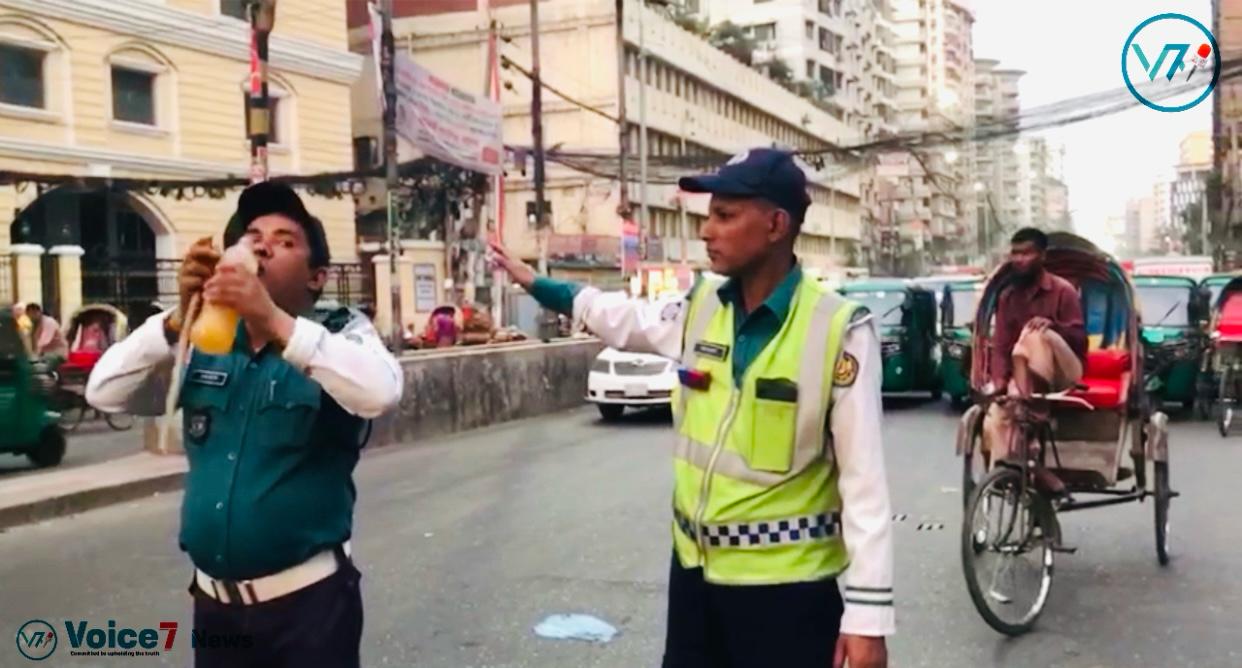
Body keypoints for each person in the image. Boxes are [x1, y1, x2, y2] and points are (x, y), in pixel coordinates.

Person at [491, 148, 893, 668]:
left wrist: (867, 619)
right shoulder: (701, 306)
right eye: (709, 215)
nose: (707, 231)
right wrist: (537, 283)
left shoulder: (840, 329)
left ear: (775, 225)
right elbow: (622, 317)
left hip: (788, 596)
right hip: (695, 581)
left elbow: (865, 487)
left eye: (725, 216)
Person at [85, 182, 403, 668]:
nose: (261, 245)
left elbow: (381, 392)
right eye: (252, 235)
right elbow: (104, 392)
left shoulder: (341, 334)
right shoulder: (206, 336)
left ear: (316, 277)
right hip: (216, 611)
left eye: (284, 240)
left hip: (309, 610)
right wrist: (176, 319)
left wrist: (272, 319)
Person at [982, 227, 1087, 478]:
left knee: (1034, 334)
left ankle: (1031, 407)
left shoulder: (1063, 291)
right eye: (1015, 254)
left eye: (1026, 253)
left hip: (1065, 372)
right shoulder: (1007, 297)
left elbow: (1080, 340)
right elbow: (1001, 346)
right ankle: (1006, 472)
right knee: (994, 418)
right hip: (1024, 376)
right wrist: (998, 382)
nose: (1019, 260)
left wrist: (1054, 326)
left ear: (1042, 256)